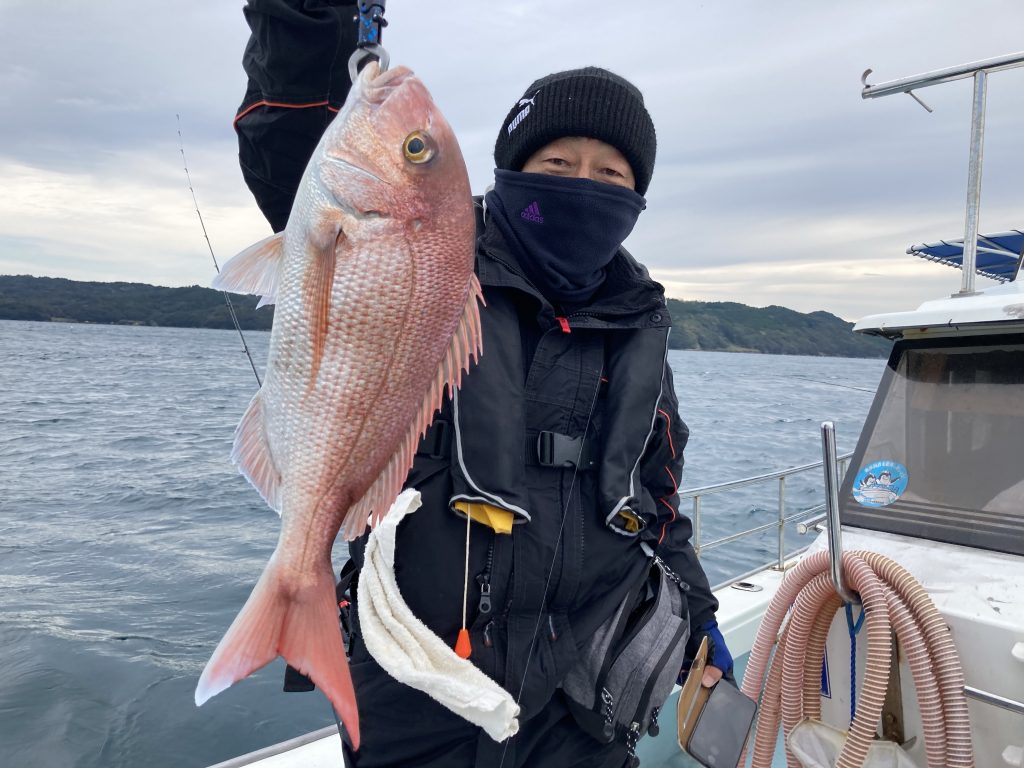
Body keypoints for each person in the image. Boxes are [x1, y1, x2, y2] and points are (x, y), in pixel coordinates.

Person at [235, 6, 733, 767]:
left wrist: (699, 616)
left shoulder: (639, 325)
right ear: (511, 169)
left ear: (637, 196)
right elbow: (293, 139)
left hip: (583, 701)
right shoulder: (427, 257)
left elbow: (656, 504)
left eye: (611, 173)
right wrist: (308, 21)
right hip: (418, 686)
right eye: (557, 163)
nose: (583, 184)